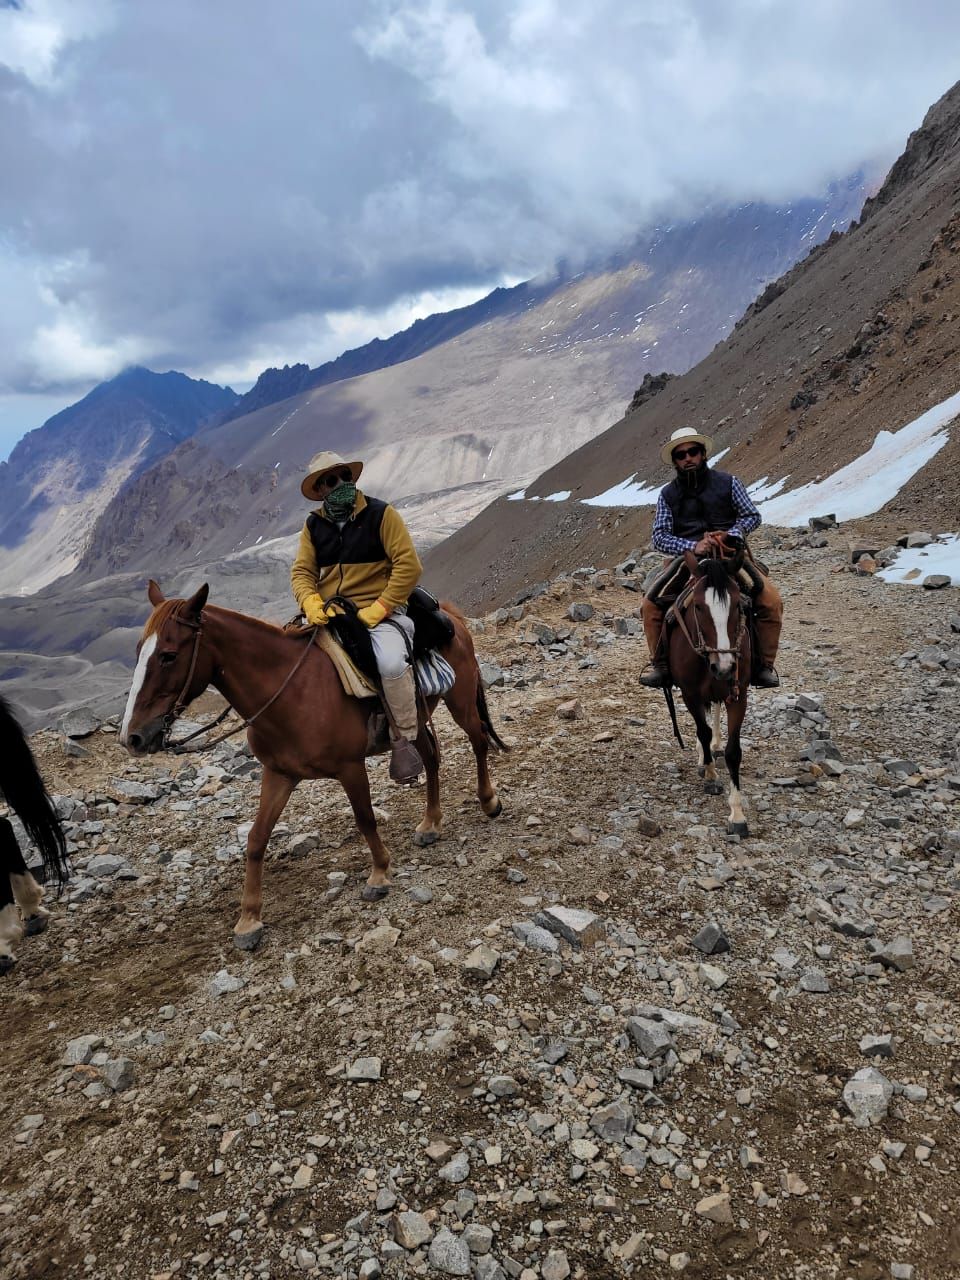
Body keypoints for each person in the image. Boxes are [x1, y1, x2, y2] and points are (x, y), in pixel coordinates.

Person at [291, 450, 425, 783]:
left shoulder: (382, 514)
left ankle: (405, 737)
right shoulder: (313, 525)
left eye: (344, 477)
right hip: (331, 613)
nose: (340, 485)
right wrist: (310, 604)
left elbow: (409, 566)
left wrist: (381, 607)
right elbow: (303, 572)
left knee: (392, 662)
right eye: (330, 481)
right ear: (320, 490)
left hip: (379, 609)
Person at [640, 427, 782, 689]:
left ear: (703, 454)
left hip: (729, 555)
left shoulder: (729, 482)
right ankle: (660, 666)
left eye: (692, 452)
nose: (687, 458)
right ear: (675, 461)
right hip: (688, 560)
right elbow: (659, 536)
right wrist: (693, 545)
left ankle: (765, 665)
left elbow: (752, 516)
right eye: (681, 455)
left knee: (771, 601)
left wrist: (731, 535)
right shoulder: (667, 495)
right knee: (650, 606)